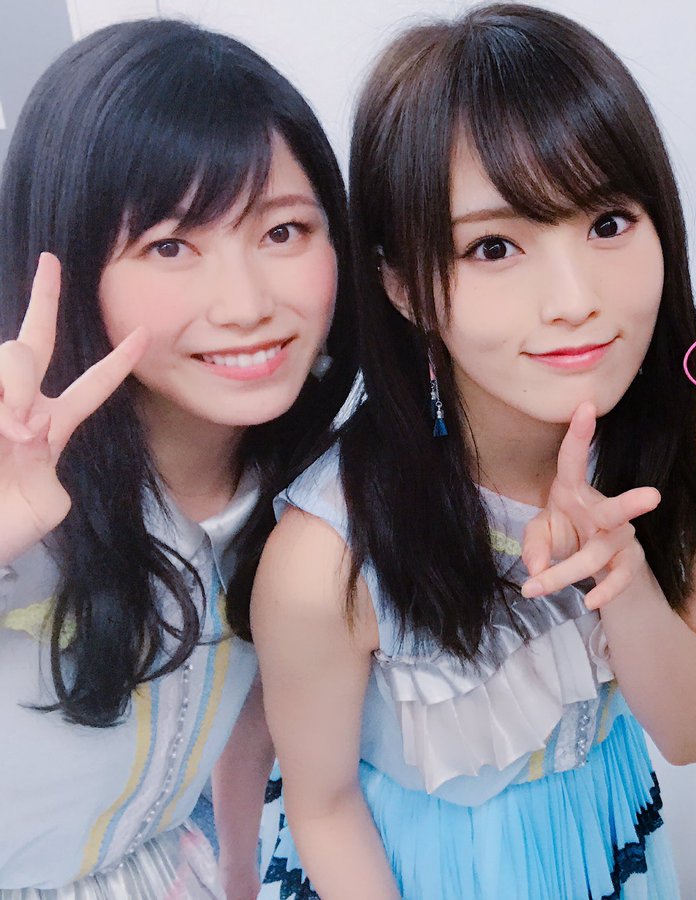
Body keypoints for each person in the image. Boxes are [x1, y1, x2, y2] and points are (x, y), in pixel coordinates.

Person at [251, 4, 696, 898]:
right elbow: (322, 808)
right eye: (493, 246)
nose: (574, 299)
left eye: (608, 222)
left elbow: (690, 733)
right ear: (403, 286)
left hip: (610, 843)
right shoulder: (324, 558)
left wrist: (621, 574)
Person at [0, 19, 355, 898]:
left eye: (283, 232)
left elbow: (252, 706)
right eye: (170, 246)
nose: (246, 304)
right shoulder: (21, 484)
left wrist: (237, 871)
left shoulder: (301, 492)